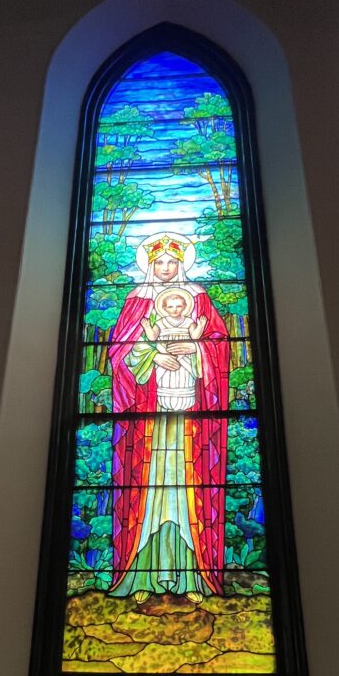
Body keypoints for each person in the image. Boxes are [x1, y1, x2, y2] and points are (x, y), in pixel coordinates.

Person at [107, 232, 229, 605]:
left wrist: (195, 350)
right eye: (158, 263)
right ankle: (137, 570)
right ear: (149, 265)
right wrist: (151, 357)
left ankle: (195, 574)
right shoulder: (134, 302)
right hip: (148, 421)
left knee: (187, 489)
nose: (164, 269)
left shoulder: (200, 299)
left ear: (182, 264)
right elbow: (117, 354)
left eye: (171, 263)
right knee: (149, 491)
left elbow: (221, 347)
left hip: (191, 419)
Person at [139, 288, 208, 412]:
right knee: (167, 381)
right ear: (164, 308)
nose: (175, 309)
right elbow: (152, 337)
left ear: (185, 307)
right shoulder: (160, 322)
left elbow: (195, 336)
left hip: (185, 361)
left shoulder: (188, 322)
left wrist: (201, 326)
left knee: (184, 381)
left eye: (178, 306)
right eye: (170, 307)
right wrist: (147, 327)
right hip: (165, 360)